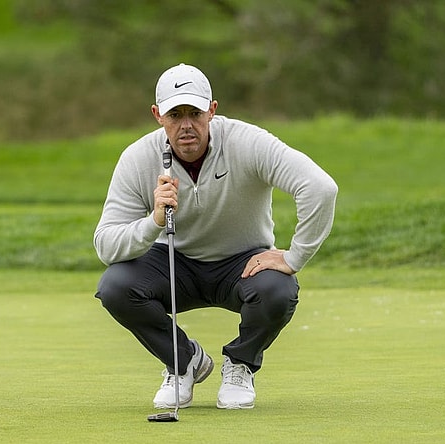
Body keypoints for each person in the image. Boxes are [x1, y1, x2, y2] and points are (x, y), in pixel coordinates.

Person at [94, 63, 338, 410]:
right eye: (175, 115)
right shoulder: (137, 158)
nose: (186, 125)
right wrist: (153, 221)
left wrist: (293, 257)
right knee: (115, 286)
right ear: (157, 116)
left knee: (278, 290)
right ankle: (184, 363)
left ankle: (240, 364)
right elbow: (105, 243)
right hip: (172, 263)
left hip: (243, 262)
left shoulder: (248, 142)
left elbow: (320, 188)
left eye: (195, 112)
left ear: (212, 110)